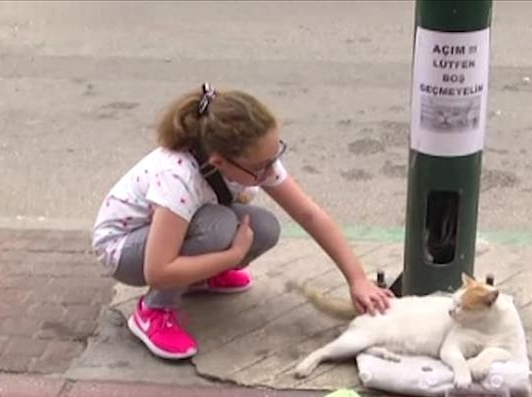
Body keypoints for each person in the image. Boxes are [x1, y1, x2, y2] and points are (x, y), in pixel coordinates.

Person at [92, 83, 394, 360]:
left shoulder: (254, 160)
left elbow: (309, 213)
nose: (270, 172)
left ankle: (199, 276)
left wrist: (357, 279)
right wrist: (231, 256)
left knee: (263, 228)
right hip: (124, 250)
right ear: (220, 162)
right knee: (219, 225)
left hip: (171, 234)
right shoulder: (178, 178)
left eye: (275, 156)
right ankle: (154, 310)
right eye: (261, 167)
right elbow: (157, 271)